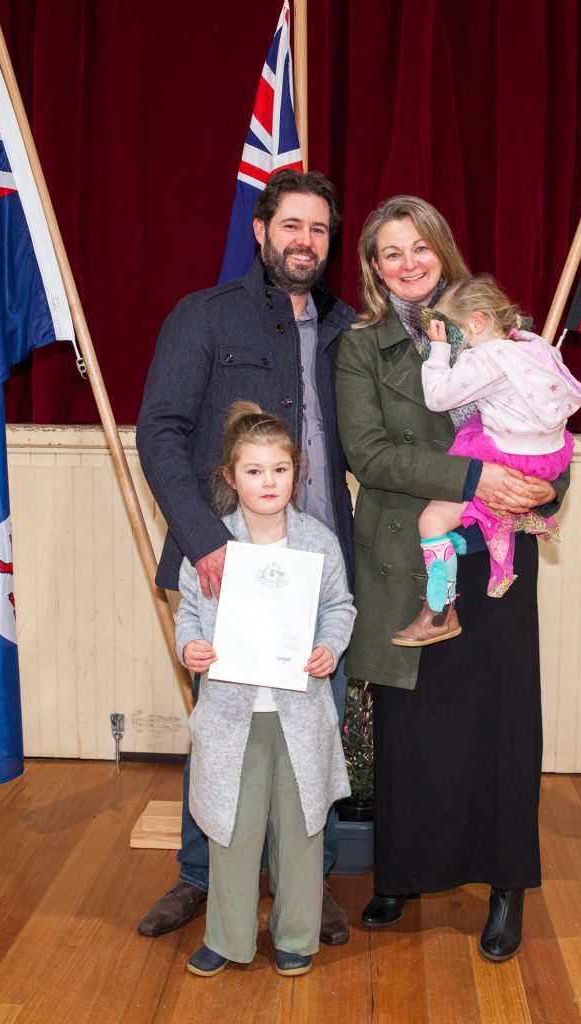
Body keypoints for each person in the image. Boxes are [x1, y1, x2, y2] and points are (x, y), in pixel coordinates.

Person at [335, 196, 570, 962]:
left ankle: (506, 886)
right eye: (389, 253)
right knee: (413, 721)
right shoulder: (361, 345)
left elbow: (547, 422)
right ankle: (404, 872)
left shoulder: (498, 325)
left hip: (496, 553)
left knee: (500, 720)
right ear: (373, 268)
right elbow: (369, 455)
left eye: (418, 247)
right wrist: (475, 478)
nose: (407, 264)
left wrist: (544, 488)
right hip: (412, 549)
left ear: (442, 248)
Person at [136, 169, 355, 946]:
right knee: (223, 736)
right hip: (222, 565)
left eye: (319, 229)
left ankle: (308, 886)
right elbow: (158, 430)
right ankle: (201, 879)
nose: (305, 241)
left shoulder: (343, 329)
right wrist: (203, 541)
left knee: (310, 735)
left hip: (313, 567)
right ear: (262, 231)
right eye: (291, 225)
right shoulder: (203, 317)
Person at [178, 402, 355, 978]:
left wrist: (329, 645)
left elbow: (339, 606)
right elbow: (188, 612)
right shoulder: (209, 544)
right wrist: (191, 649)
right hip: (233, 715)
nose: (268, 481)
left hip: (300, 712)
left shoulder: (319, 542)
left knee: (302, 827)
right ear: (231, 477)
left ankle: (297, 934)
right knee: (232, 827)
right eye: (254, 471)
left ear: (296, 472)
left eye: (279, 469)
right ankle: (228, 937)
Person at [392, 274, 581, 647]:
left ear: (478, 323)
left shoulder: (488, 357)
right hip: (542, 460)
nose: (455, 343)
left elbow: (438, 396)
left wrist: (438, 351)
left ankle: (440, 611)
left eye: (455, 333)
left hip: (501, 456)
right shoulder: (534, 346)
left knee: (432, 520)